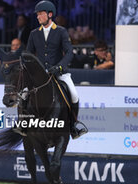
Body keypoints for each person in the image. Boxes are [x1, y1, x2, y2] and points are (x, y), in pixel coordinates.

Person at [25, 0, 85, 139]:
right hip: (40, 76)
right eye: (37, 14)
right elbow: (28, 54)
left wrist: (59, 67)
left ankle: (73, 126)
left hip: (58, 72)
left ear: (50, 14)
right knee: (23, 93)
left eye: (40, 14)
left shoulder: (61, 31)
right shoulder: (34, 33)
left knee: (74, 95)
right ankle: (23, 123)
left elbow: (69, 52)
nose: (38, 17)